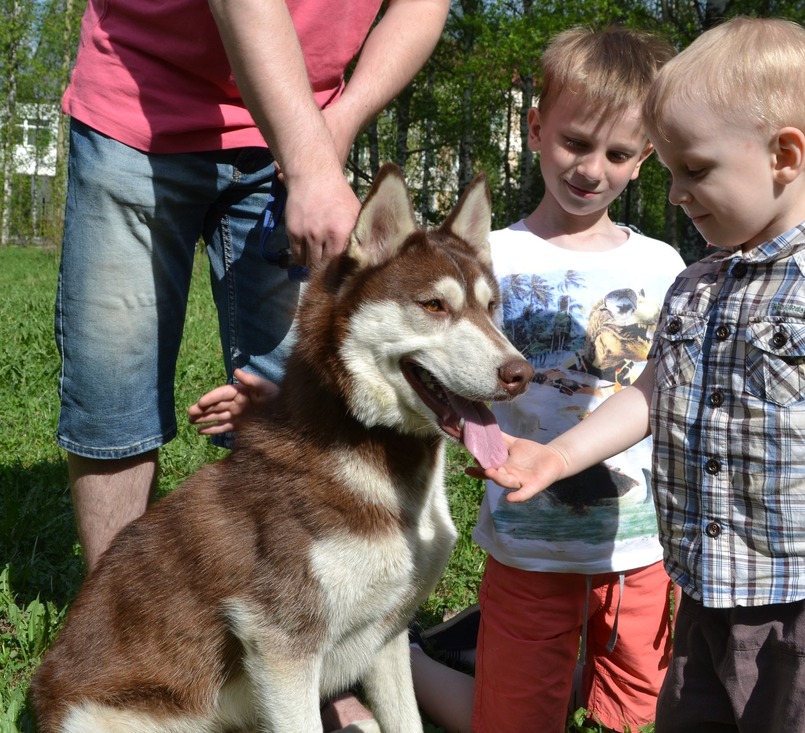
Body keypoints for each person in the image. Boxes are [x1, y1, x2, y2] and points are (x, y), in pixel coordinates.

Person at [191, 26, 685, 733]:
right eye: (576, 142)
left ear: (643, 160)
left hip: (636, 549)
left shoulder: (664, 265)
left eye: (617, 153)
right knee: (513, 719)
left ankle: (494, 668)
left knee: (635, 715)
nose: (591, 168)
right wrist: (280, 391)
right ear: (537, 129)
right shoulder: (491, 258)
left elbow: (677, 382)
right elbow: (366, 319)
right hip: (525, 545)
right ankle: (414, 660)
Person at [474, 17, 805, 732]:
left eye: (694, 170)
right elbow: (652, 389)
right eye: (668, 171)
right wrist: (559, 452)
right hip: (707, 587)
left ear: (784, 155)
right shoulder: (697, 284)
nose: (675, 193)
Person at [54, 0, 451, 573]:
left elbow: (421, 7)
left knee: (301, 387)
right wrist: (312, 162)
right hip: (139, 103)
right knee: (114, 379)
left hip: (299, 118)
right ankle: (115, 620)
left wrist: (328, 130)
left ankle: (296, 603)